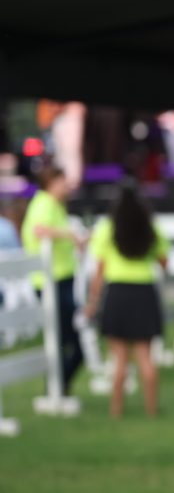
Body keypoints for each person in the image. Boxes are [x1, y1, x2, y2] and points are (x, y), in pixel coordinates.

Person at [84, 184, 169, 418]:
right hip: (144, 293)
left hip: (118, 294)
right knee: (145, 357)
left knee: (119, 359)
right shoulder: (151, 228)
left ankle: (116, 410)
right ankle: (152, 410)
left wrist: (92, 301)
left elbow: (99, 271)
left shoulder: (106, 229)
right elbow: (163, 263)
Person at [20, 165, 86, 395]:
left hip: (61, 278)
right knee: (67, 339)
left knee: (68, 338)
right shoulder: (44, 203)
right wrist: (71, 235)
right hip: (51, 282)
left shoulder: (52, 204)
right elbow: (40, 230)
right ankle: (56, 386)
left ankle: (58, 385)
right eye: (63, 181)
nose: (66, 187)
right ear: (52, 182)